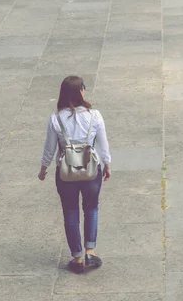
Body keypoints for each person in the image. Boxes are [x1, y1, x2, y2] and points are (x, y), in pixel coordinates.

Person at [39, 75, 111, 274]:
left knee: (70, 212)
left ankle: (77, 256)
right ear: (81, 92)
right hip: (90, 171)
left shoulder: (56, 118)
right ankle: (90, 250)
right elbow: (103, 145)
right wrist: (107, 165)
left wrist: (43, 169)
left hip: (66, 173)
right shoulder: (95, 116)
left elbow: (50, 148)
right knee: (91, 208)